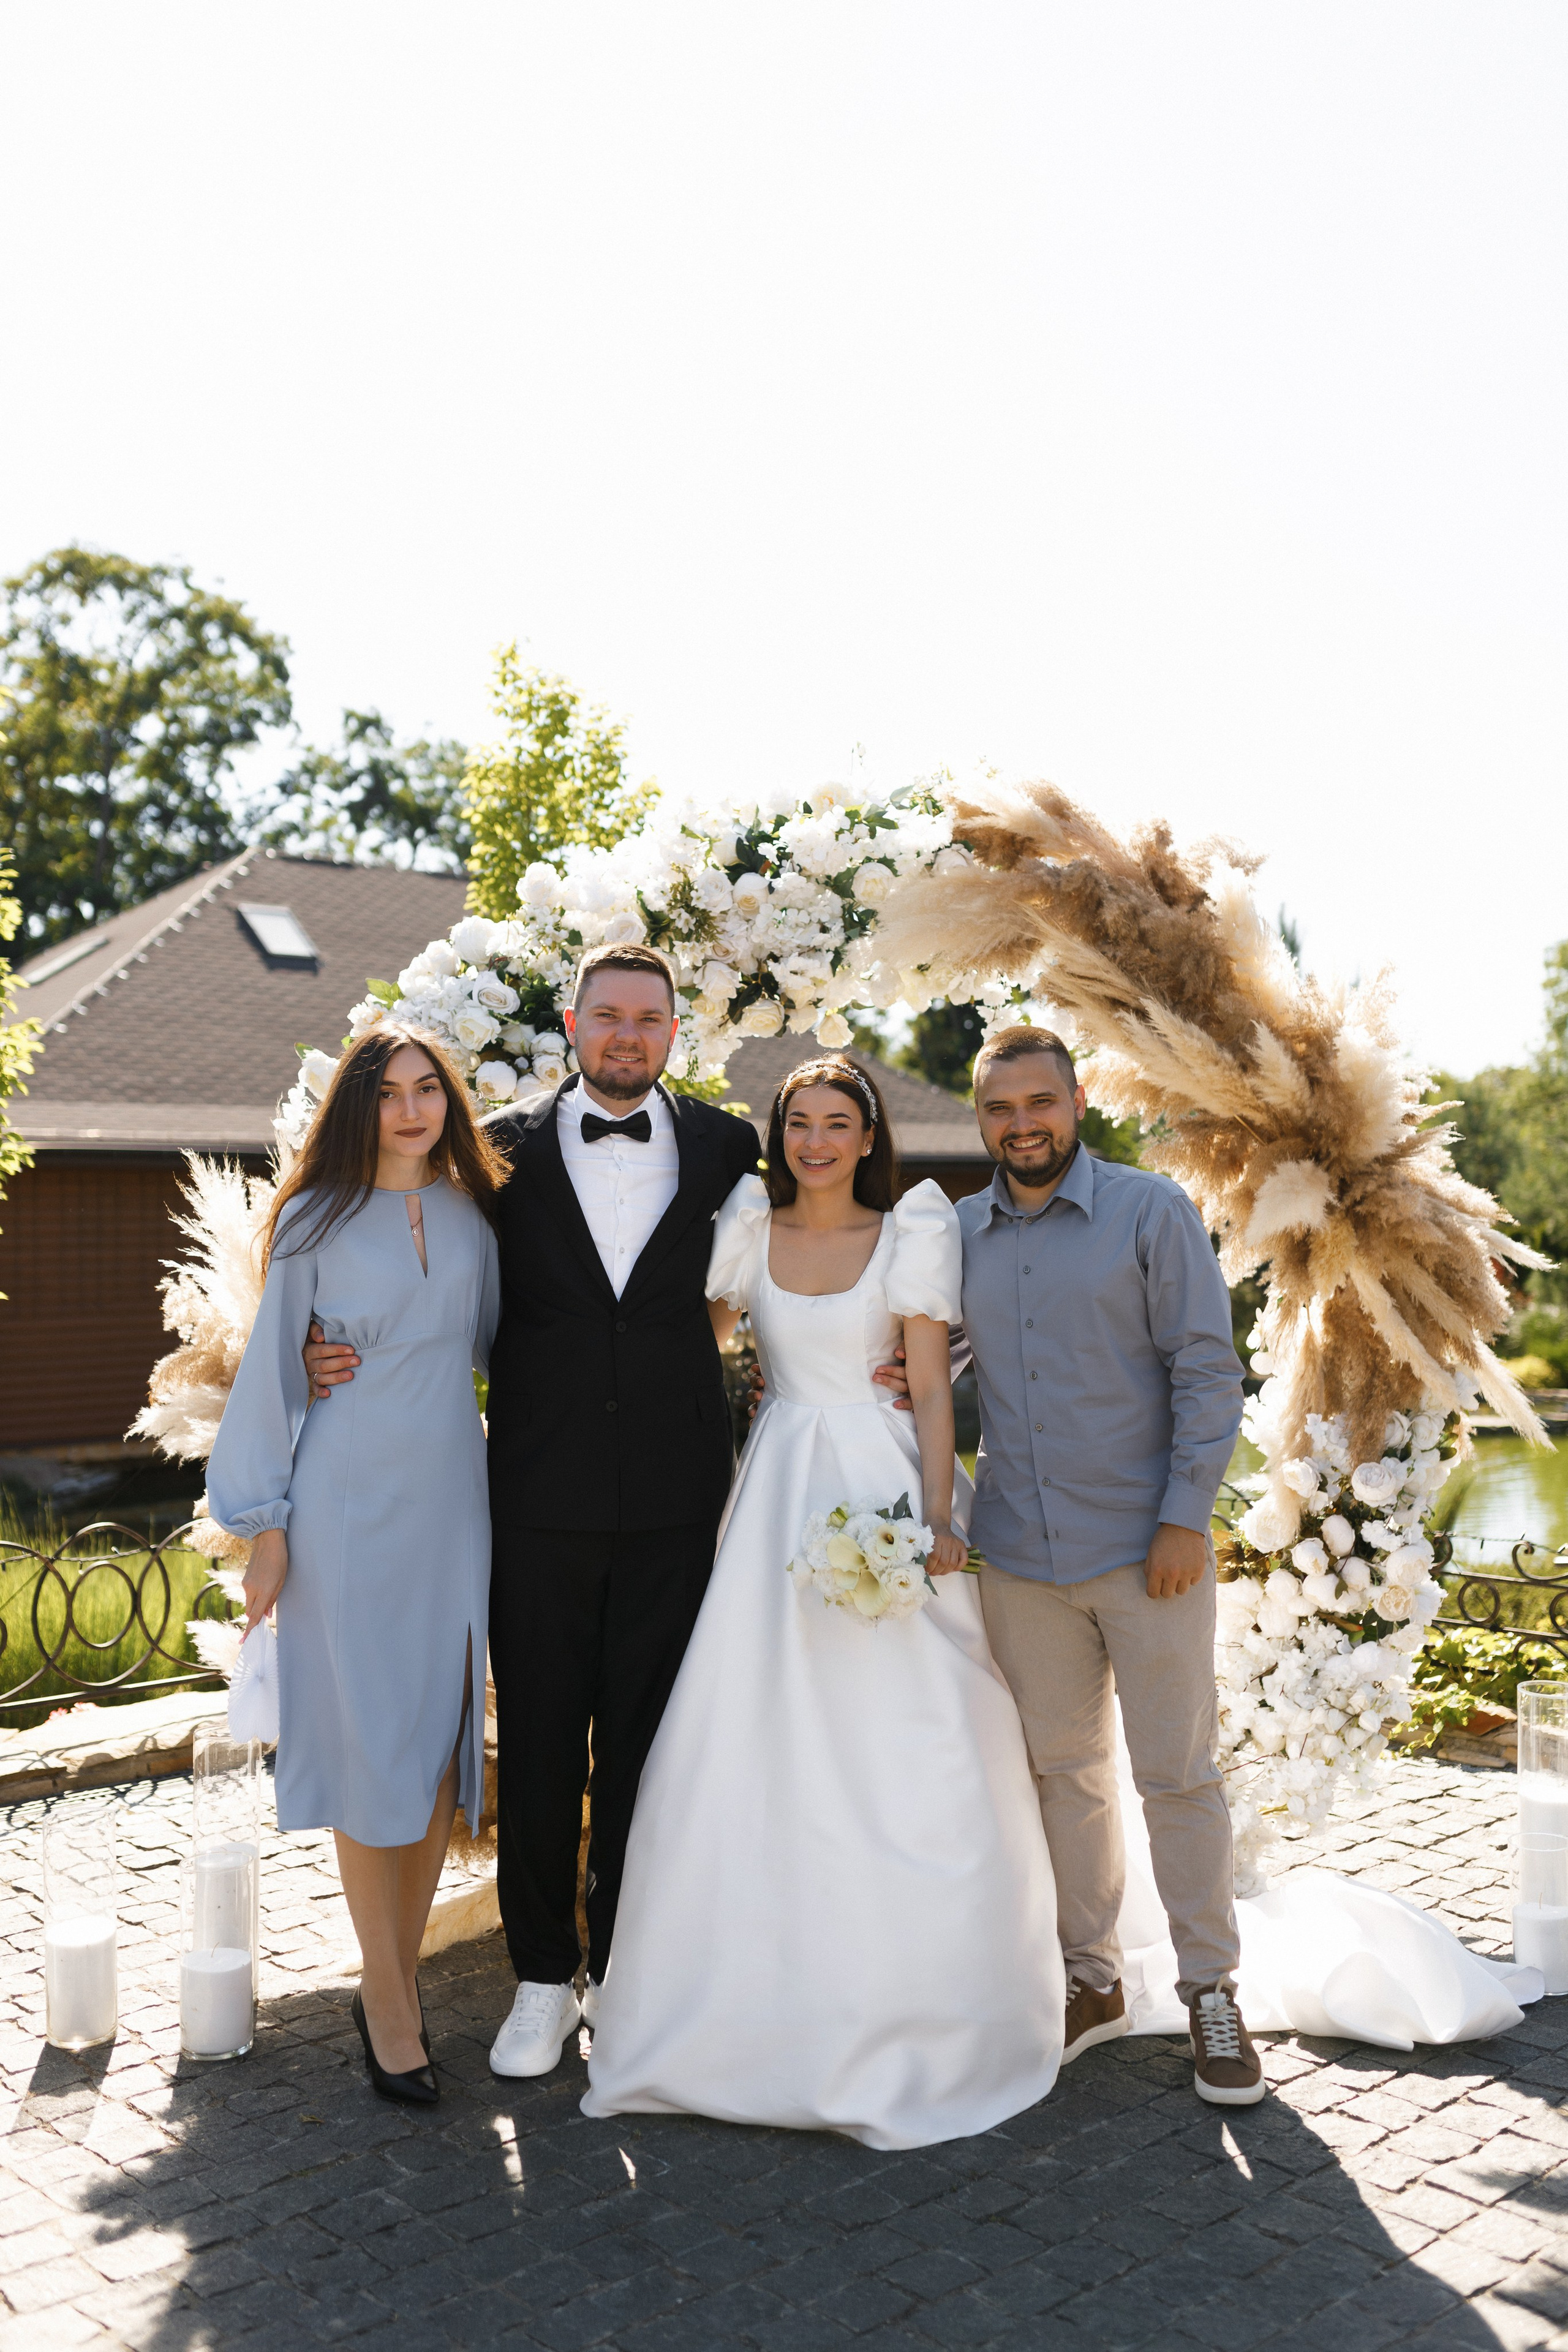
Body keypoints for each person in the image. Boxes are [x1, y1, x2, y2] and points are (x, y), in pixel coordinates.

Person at [579, 1057, 1064, 2150]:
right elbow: (684, 1346)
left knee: (918, 1725)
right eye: (799, 1122)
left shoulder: (912, 1233)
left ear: (867, 1134)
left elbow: (934, 1386)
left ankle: (932, 1987)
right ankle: (724, 2000)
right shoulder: (747, 1221)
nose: (815, 1141)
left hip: (884, 1483)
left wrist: (942, 1519)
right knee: (749, 1722)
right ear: (780, 1135)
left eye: (837, 1123)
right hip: (774, 1488)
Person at [305, 944, 762, 2077]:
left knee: (647, 1748)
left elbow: (810, 1253)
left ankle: (626, 1970)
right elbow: (417, 1258)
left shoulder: (725, 1146)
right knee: (546, 1743)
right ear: (571, 1023)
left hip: (673, 1496)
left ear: (672, 1032)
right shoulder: (491, 1151)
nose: (626, 1035)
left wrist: (895, 1356)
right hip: (532, 1498)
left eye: (647, 1019)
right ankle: (541, 1979)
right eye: (605, 1016)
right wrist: (335, 1345)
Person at [207, 1026, 503, 2106]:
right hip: (341, 1503)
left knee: (430, 1746)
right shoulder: (315, 1219)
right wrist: (267, 1522)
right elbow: (268, 1379)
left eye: (432, 1091)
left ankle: (396, 1973)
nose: (414, 1110)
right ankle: (389, 1999)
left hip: (453, 1504)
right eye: (391, 1094)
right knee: (365, 1732)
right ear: (358, 1108)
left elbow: (510, 1351)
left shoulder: (479, 1218)